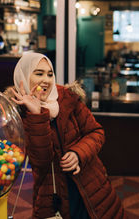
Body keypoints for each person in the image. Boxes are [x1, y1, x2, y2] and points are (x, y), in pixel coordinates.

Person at [8, 52, 126, 219]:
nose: (46, 80)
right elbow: (41, 162)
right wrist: (36, 115)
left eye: (50, 74)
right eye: (39, 73)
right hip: (53, 194)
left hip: (90, 184)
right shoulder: (19, 113)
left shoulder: (67, 98)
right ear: (24, 76)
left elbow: (96, 132)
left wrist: (78, 153)